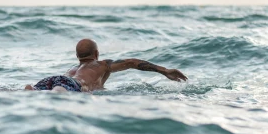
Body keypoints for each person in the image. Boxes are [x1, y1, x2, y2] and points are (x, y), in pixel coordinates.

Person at [25, 39, 187, 92]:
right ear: (96, 54)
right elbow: (131, 62)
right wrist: (165, 71)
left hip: (53, 79)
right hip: (70, 85)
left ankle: (31, 89)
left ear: (77, 57)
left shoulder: (72, 69)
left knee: (38, 90)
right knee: (59, 92)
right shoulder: (101, 65)